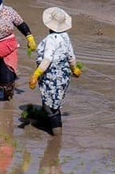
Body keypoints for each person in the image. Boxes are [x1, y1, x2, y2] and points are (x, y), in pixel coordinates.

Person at [28, 7, 82, 135]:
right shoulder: (66, 36)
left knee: (49, 107)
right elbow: (71, 56)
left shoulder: (51, 40)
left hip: (51, 77)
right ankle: (50, 124)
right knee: (54, 101)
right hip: (63, 76)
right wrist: (74, 68)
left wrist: (36, 74)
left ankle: (56, 131)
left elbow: (47, 59)